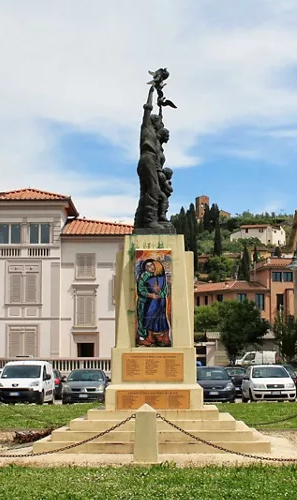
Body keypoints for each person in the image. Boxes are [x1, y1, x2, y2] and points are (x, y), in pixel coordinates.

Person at [133, 87, 164, 230]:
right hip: (147, 159)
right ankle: (149, 220)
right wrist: (151, 93)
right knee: (153, 188)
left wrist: (161, 104)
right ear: (154, 122)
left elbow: (160, 121)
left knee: (145, 191)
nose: (160, 126)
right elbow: (147, 109)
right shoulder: (146, 127)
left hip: (148, 160)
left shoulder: (155, 136)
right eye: (158, 123)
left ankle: (139, 220)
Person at [135, 259, 171, 346]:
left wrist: (160, 294)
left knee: (158, 318)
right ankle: (142, 338)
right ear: (145, 268)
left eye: (152, 265)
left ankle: (160, 337)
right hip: (144, 302)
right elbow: (141, 290)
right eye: (148, 266)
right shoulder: (144, 277)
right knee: (144, 318)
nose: (151, 267)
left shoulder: (159, 276)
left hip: (156, 301)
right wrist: (150, 295)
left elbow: (164, 289)